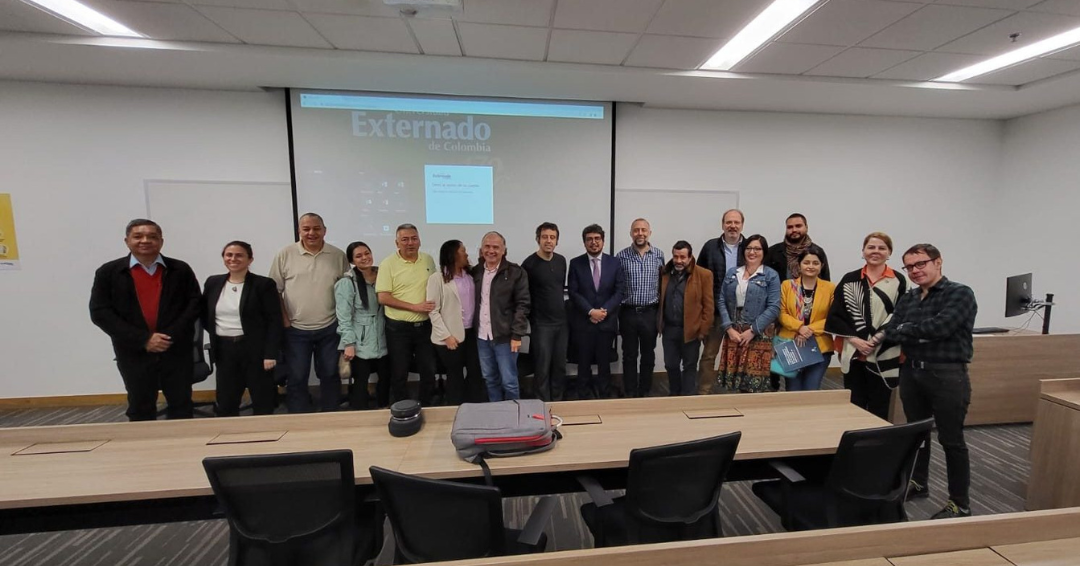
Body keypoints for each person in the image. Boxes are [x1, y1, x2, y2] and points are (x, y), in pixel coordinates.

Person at [868, 244, 977, 520]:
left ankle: (959, 502)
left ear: (938, 262)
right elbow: (893, 330)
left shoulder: (960, 293)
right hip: (913, 374)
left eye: (921, 264)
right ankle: (918, 482)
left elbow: (941, 327)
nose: (915, 271)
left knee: (951, 440)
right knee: (917, 434)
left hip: (947, 375)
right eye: (910, 267)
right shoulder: (909, 297)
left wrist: (907, 330)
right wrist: (909, 331)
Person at [90, 219, 201, 421]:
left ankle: (184, 449)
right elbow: (100, 312)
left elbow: (194, 306)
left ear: (161, 241)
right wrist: (144, 339)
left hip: (175, 350)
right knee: (140, 406)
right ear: (127, 241)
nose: (145, 240)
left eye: (152, 236)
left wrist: (167, 337)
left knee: (181, 405)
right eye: (138, 236)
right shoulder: (109, 272)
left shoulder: (180, 270)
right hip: (133, 351)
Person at [269, 213, 350, 413]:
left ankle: (330, 414)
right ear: (299, 231)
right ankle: (299, 418)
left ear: (324, 230)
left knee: (330, 374)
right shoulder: (285, 254)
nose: (311, 233)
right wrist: (285, 320)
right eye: (306, 229)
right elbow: (275, 291)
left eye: (316, 228)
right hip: (296, 329)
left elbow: (347, 292)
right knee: (296, 376)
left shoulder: (338, 255)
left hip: (330, 327)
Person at [825, 232, 907, 420]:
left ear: (889, 253)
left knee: (880, 405)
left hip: (885, 352)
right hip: (854, 354)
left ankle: (876, 447)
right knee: (854, 404)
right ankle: (855, 446)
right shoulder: (849, 279)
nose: (875, 251)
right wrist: (856, 341)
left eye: (881, 248)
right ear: (863, 252)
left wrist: (876, 339)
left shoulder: (899, 281)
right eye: (871, 247)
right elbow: (837, 315)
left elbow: (902, 314)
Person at [201, 241, 282, 416]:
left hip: (255, 349)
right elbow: (205, 315)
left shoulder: (263, 285)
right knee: (226, 401)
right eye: (229, 255)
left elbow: (274, 321)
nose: (233, 259)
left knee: (262, 399)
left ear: (250, 259)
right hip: (224, 350)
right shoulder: (213, 282)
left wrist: (270, 353)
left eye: (239, 255)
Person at [376, 224, 438, 405]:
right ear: (397, 243)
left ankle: (426, 406)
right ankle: (402, 409)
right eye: (405, 239)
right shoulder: (388, 264)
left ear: (419, 241)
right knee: (399, 372)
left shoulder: (428, 260)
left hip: (425, 327)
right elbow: (383, 297)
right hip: (398, 328)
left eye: (414, 238)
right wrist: (414, 307)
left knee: (429, 370)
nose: (410, 243)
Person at [716, 234, 780, 393]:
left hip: (758, 333)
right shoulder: (732, 273)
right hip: (734, 332)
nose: (752, 252)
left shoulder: (771, 275)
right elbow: (721, 300)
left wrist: (752, 330)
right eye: (749, 248)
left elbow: (774, 307)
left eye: (757, 248)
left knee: (753, 384)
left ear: (764, 252)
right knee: (734, 383)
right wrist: (728, 328)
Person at [471, 232, 530, 402]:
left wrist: (517, 334)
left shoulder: (516, 272)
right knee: (490, 379)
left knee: (509, 381)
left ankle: (513, 416)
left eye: (496, 247)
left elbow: (523, 305)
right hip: (482, 337)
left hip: (506, 338)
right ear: (481, 250)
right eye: (487, 247)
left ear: (504, 250)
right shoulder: (475, 272)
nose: (491, 251)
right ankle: (496, 412)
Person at [568, 224, 625, 399]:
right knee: (583, 363)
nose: (594, 242)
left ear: (603, 241)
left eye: (597, 239)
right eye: (589, 239)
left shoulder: (614, 263)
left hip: (606, 323)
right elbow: (573, 292)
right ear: (584, 242)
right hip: (584, 323)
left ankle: (604, 395)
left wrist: (603, 311)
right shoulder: (575, 263)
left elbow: (620, 291)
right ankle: (583, 396)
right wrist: (590, 312)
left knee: (604, 363)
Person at [427, 240, 485, 405]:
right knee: (455, 374)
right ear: (452, 255)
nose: (466, 254)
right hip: (450, 336)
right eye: (463, 251)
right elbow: (433, 310)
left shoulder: (470, 275)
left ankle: (474, 407)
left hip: (472, 332)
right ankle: (455, 408)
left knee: (475, 371)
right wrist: (446, 336)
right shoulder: (437, 278)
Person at [335, 241, 390, 410]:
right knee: (361, 380)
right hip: (360, 340)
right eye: (359, 256)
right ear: (352, 261)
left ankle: (384, 407)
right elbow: (343, 317)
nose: (365, 258)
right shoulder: (347, 283)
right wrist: (348, 343)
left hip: (384, 336)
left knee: (386, 377)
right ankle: (360, 413)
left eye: (367, 253)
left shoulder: (383, 275)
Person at [697, 209, 747, 394]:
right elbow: (699, 277)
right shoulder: (710, 247)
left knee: (741, 355)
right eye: (728, 222)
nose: (732, 226)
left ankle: (739, 391)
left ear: (742, 224)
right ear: (722, 224)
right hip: (716, 311)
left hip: (743, 311)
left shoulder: (750, 247)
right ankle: (703, 392)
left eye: (736, 222)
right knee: (709, 355)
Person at [615, 218, 665, 397]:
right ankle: (630, 390)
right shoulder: (621, 257)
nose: (640, 233)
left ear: (649, 232)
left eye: (644, 230)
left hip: (650, 312)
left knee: (648, 354)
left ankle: (645, 390)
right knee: (629, 354)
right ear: (631, 233)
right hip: (628, 312)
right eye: (636, 230)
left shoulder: (659, 255)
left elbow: (662, 284)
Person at [657, 241, 714, 396]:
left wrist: (703, 330)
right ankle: (674, 394)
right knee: (670, 364)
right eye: (676, 256)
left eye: (682, 257)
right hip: (669, 328)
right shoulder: (665, 273)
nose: (679, 260)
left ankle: (687, 396)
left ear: (690, 257)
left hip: (692, 330)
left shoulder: (704, 274)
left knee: (689, 365)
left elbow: (708, 306)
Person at [776, 245, 834, 391]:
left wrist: (809, 329)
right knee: (792, 390)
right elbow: (781, 313)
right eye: (806, 262)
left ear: (822, 266)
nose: (810, 266)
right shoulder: (788, 286)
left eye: (815, 263)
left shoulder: (830, 288)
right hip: (791, 344)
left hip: (820, 347)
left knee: (811, 390)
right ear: (799, 265)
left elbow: (833, 317)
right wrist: (799, 327)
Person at [520, 222, 568, 401]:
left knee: (560, 367)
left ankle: (558, 402)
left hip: (562, 323)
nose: (549, 241)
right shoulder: (529, 264)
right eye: (545, 237)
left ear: (557, 241)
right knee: (542, 367)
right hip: (541, 325)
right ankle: (542, 404)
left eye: (553, 237)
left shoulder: (561, 261)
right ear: (538, 239)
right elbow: (524, 295)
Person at [764, 213, 831, 281]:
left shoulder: (817, 251)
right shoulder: (772, 252)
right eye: (790, 227)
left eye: (798, 226)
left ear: (806, 227)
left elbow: (825, 280)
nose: (794, 230)